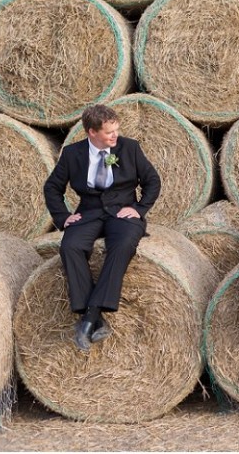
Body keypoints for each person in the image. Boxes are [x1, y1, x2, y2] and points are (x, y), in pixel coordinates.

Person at [43, 104, 161, 352]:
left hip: (122, 212)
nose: (115, 135)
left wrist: (138, 209)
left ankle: (90, 316)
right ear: (92, 132)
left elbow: (152, 181)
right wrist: (63, 217)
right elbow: (52, 187)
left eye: (116, 129)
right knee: (70, 246)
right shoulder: (72, 153)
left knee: (123, 244)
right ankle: (93, 317)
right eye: (109, 132)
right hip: (89, 213)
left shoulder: (129, 148)